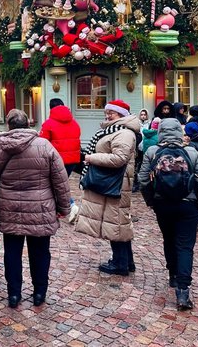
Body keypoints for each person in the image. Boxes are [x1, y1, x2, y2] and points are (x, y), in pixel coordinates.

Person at [0, 109, 71, 308]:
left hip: (10, 207)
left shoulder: (1, 147)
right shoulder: (44, 146)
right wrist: (64, 207)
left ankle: (14, 294)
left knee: (12, 253)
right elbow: (60, 179)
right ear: (28, 123)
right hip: (40, 208)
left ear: (9, 125)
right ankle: (39, 292)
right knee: (40, 253)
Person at [137, 118, 198, 310]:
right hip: (187, 205)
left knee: (168, 239)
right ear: (180, 132)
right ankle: (183, 291)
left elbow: (143, 180)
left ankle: (173, 276)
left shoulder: (153, 152)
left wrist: (151, 202)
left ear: (160, 131)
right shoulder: (191, 152)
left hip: (163, 204)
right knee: (185, 246)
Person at [76, 99, 140, 277]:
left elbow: (119, 158)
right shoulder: (115, 130)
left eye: (112, 112)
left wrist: (91, 158)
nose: (107, 114)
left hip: (116, 184)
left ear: (122, 115)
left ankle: (120, 264)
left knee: (116, 223)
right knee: (118, 222)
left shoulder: (124, 133)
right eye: (107, 111)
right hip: (114, 183)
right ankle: (127, 261)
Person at [39, 98, 81, 175]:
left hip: (56, 160)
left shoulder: (48, 124)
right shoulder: (75, 123)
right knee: (64, 181)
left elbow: (42, 143)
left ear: (51, 108)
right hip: (72, 160)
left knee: (55, 184)